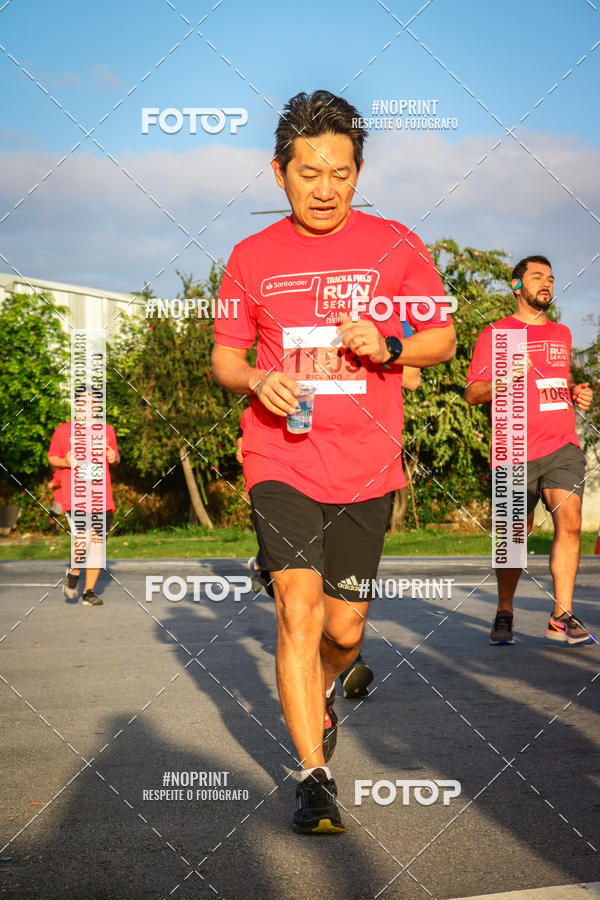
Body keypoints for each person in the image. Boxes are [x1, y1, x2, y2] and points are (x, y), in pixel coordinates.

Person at [212, 90, 455, 834]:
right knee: (296, 608)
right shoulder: (251, 258)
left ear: (359, 173)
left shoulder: (397, 244)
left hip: (367, 465)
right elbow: (225, 357)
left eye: (342, 173)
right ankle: (313, 774)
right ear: (278, 172)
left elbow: (441, 340)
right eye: (310, 173)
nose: (326, 189)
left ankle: (320, 694)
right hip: (279, 455)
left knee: (345, 630)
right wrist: (258, 379)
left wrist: (388, 344)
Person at [466, 255, 593, 646]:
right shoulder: (496, 334)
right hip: (513, 446)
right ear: (516, 286)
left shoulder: (562, 334)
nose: (546, 284)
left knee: (569, 522)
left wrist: (575, 392)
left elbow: (561, 378)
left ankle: (561, 616)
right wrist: (504, 379)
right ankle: (505, 610)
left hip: (561, 446)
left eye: (551, 278)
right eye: (537, 277)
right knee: (513, 541)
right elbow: (473, 393)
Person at [48, 385, 120, 606]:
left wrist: (113, 457)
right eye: (84, 402)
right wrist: (67, 462)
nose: (89, 406)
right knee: (82, 539)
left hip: (101, 496)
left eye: (93, 402)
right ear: (77, 405)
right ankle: (74, 571)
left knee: (97, 543)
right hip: (76, 495)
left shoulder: (107, 430)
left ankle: (89, 592)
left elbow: (116, 457)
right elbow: (52, 458)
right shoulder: (63, 431)